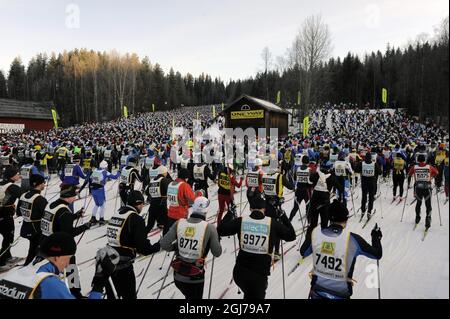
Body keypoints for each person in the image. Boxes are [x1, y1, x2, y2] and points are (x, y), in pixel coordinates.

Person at [217, 194, 296, 299]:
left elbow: (220, 230)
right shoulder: (272, 223)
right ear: (264, 209)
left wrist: (230, 214)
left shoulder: (241, 221)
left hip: (240, 273)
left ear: (250, 208)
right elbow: (291, 236)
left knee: (248, 294)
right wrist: (283, 215)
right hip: (259, 275)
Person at [299, 200, 383, 299]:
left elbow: (303, 252)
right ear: (346, 220)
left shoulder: (316, 235)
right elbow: (377, 254)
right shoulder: (353, 239)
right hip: (341, 295)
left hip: (318, 292)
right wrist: (375, 237)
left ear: (330, 218)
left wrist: (312, 231)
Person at [0, 232, 107, 299]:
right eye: (68, 258)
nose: (67, 264)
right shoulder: (48, 282)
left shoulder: (14, 273)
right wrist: (98, 286)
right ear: (57, 257)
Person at [160, 197, 222, 299]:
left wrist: (177, 247)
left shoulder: (179, 223)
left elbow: (164, 244)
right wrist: (215, 238)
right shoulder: (209, 228)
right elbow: (217, 252)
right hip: (195, 277)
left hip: (178, 275)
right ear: (206, 210)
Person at [106, 190, 161, 299]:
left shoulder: (118, 213)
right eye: (142, 204)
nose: (142, 207)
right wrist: (158, 246)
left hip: (108, 261)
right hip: (123, 265)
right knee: (129, 296)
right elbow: (144, 248)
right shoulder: (136, 219)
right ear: (139, 204)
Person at [40, 184, 91, 298]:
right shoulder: (64, 211)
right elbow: (69, 233)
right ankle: (75, 294)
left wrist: (75, 216)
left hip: (46, 241)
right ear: (68, 196)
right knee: (71, 267)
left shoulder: (53, 204)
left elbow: (58, 219)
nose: (76, 198)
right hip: (59, 247)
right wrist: (85, 226)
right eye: (74, 195)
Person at [263, 167, 294, 260]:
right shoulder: (280, 177)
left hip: (266, 204)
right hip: (276, 206)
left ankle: (267, 249)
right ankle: (276, 252)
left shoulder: (265, 175)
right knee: (277, 228)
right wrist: (292, 180)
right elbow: (291, 186)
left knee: (268, 226)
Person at [17, 174, 48, 266]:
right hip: (37, 229)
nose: (44, 184)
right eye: (43, 182)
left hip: (26, 226)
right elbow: (47, 214)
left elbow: (18, 212)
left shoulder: (23, 195)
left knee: (33, 248)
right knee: (38, 249)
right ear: (39, 184)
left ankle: (28, 264)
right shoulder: (39, 199)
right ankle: (29, 267)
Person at [166, 168, 203, 233]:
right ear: (185, 177)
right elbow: (193, 199)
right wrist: (199, 194)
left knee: (171, 233)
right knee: (180, 234)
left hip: (170, 212)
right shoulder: (184, 185)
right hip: (180, 214)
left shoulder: (171, 184)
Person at [408, 154, 439, 229]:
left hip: (418, 188)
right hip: (427, 188)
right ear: (424, 160)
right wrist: (431, 176)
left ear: (417, 160)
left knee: (418, 203)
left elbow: (409, 174)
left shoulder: (414, 167)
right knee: (428, 204)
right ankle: (428, 219)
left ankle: (417, 217)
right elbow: (437, 173)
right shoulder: (429, 167)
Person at [0, 168, 24, 267]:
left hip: (2, 215)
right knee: (8, 238)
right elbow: (24, 197)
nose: (19, 176)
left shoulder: (2, 183)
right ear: (12, 176)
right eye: (17, 174)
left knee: (6, 237)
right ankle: (1, 262)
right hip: (5, 216)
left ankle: (7, 257)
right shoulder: (12, 187)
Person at [90, 160, 121, 225]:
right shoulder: (105, 172)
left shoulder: (95, 171)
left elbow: (90, 179)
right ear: (106, 166)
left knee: (97, 204)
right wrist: (119, 172)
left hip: (93, 189)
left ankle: (93, 218)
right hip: (99, 190)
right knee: (102, 205)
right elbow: (115, 177)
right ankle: (101, 219)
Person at [354, 151, 382, 221]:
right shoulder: (374, 164)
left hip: (364, 182)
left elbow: (356, 170)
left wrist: (358, 166)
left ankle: (363, 209)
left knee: (364, 196)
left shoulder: (362, 163)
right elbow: (380, 172)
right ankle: (369, 211)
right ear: (371, 158)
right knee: (371, 197)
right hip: (372, 182)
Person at [144, 165, 172, 234]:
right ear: (164, 173)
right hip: (162, 205)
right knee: (166, 224)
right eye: (166, 173)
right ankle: (164, 241)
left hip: (153, 205)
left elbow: (147, 192)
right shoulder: (164, 180)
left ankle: (142, 236)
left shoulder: (152, 180)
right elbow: (170, 188)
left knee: (149, 225)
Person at [289, 155, 314, 222]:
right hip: (307, 191)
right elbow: (312, 182)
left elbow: (294, 179)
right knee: (308, 208)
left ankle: (289, 221)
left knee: (295, 208)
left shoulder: (298, 169)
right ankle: (309, 223)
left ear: (302, 161)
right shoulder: (310, 170)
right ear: (308, 162)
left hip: (298, 190)